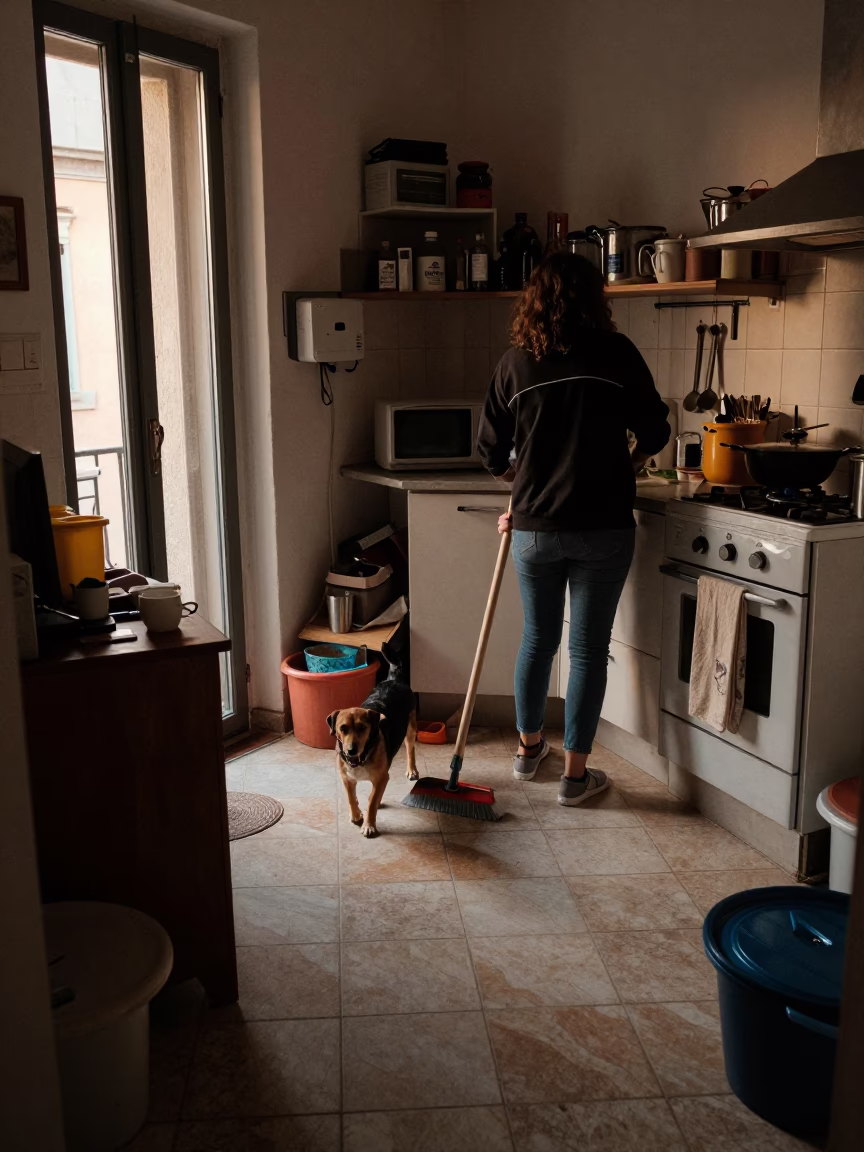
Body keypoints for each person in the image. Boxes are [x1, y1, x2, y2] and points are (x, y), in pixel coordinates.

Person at [477, 252, 670, 806]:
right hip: (604, 527)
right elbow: (656, 432)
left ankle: (527, 750)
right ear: (596, 298)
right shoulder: (619, 355)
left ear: (534, 299)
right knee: (586, 651)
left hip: (535, 530)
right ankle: (575, 778)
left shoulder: (515, 362)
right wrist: (626, 469)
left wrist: (524, 488)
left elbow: (489, 450)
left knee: (538, 641)